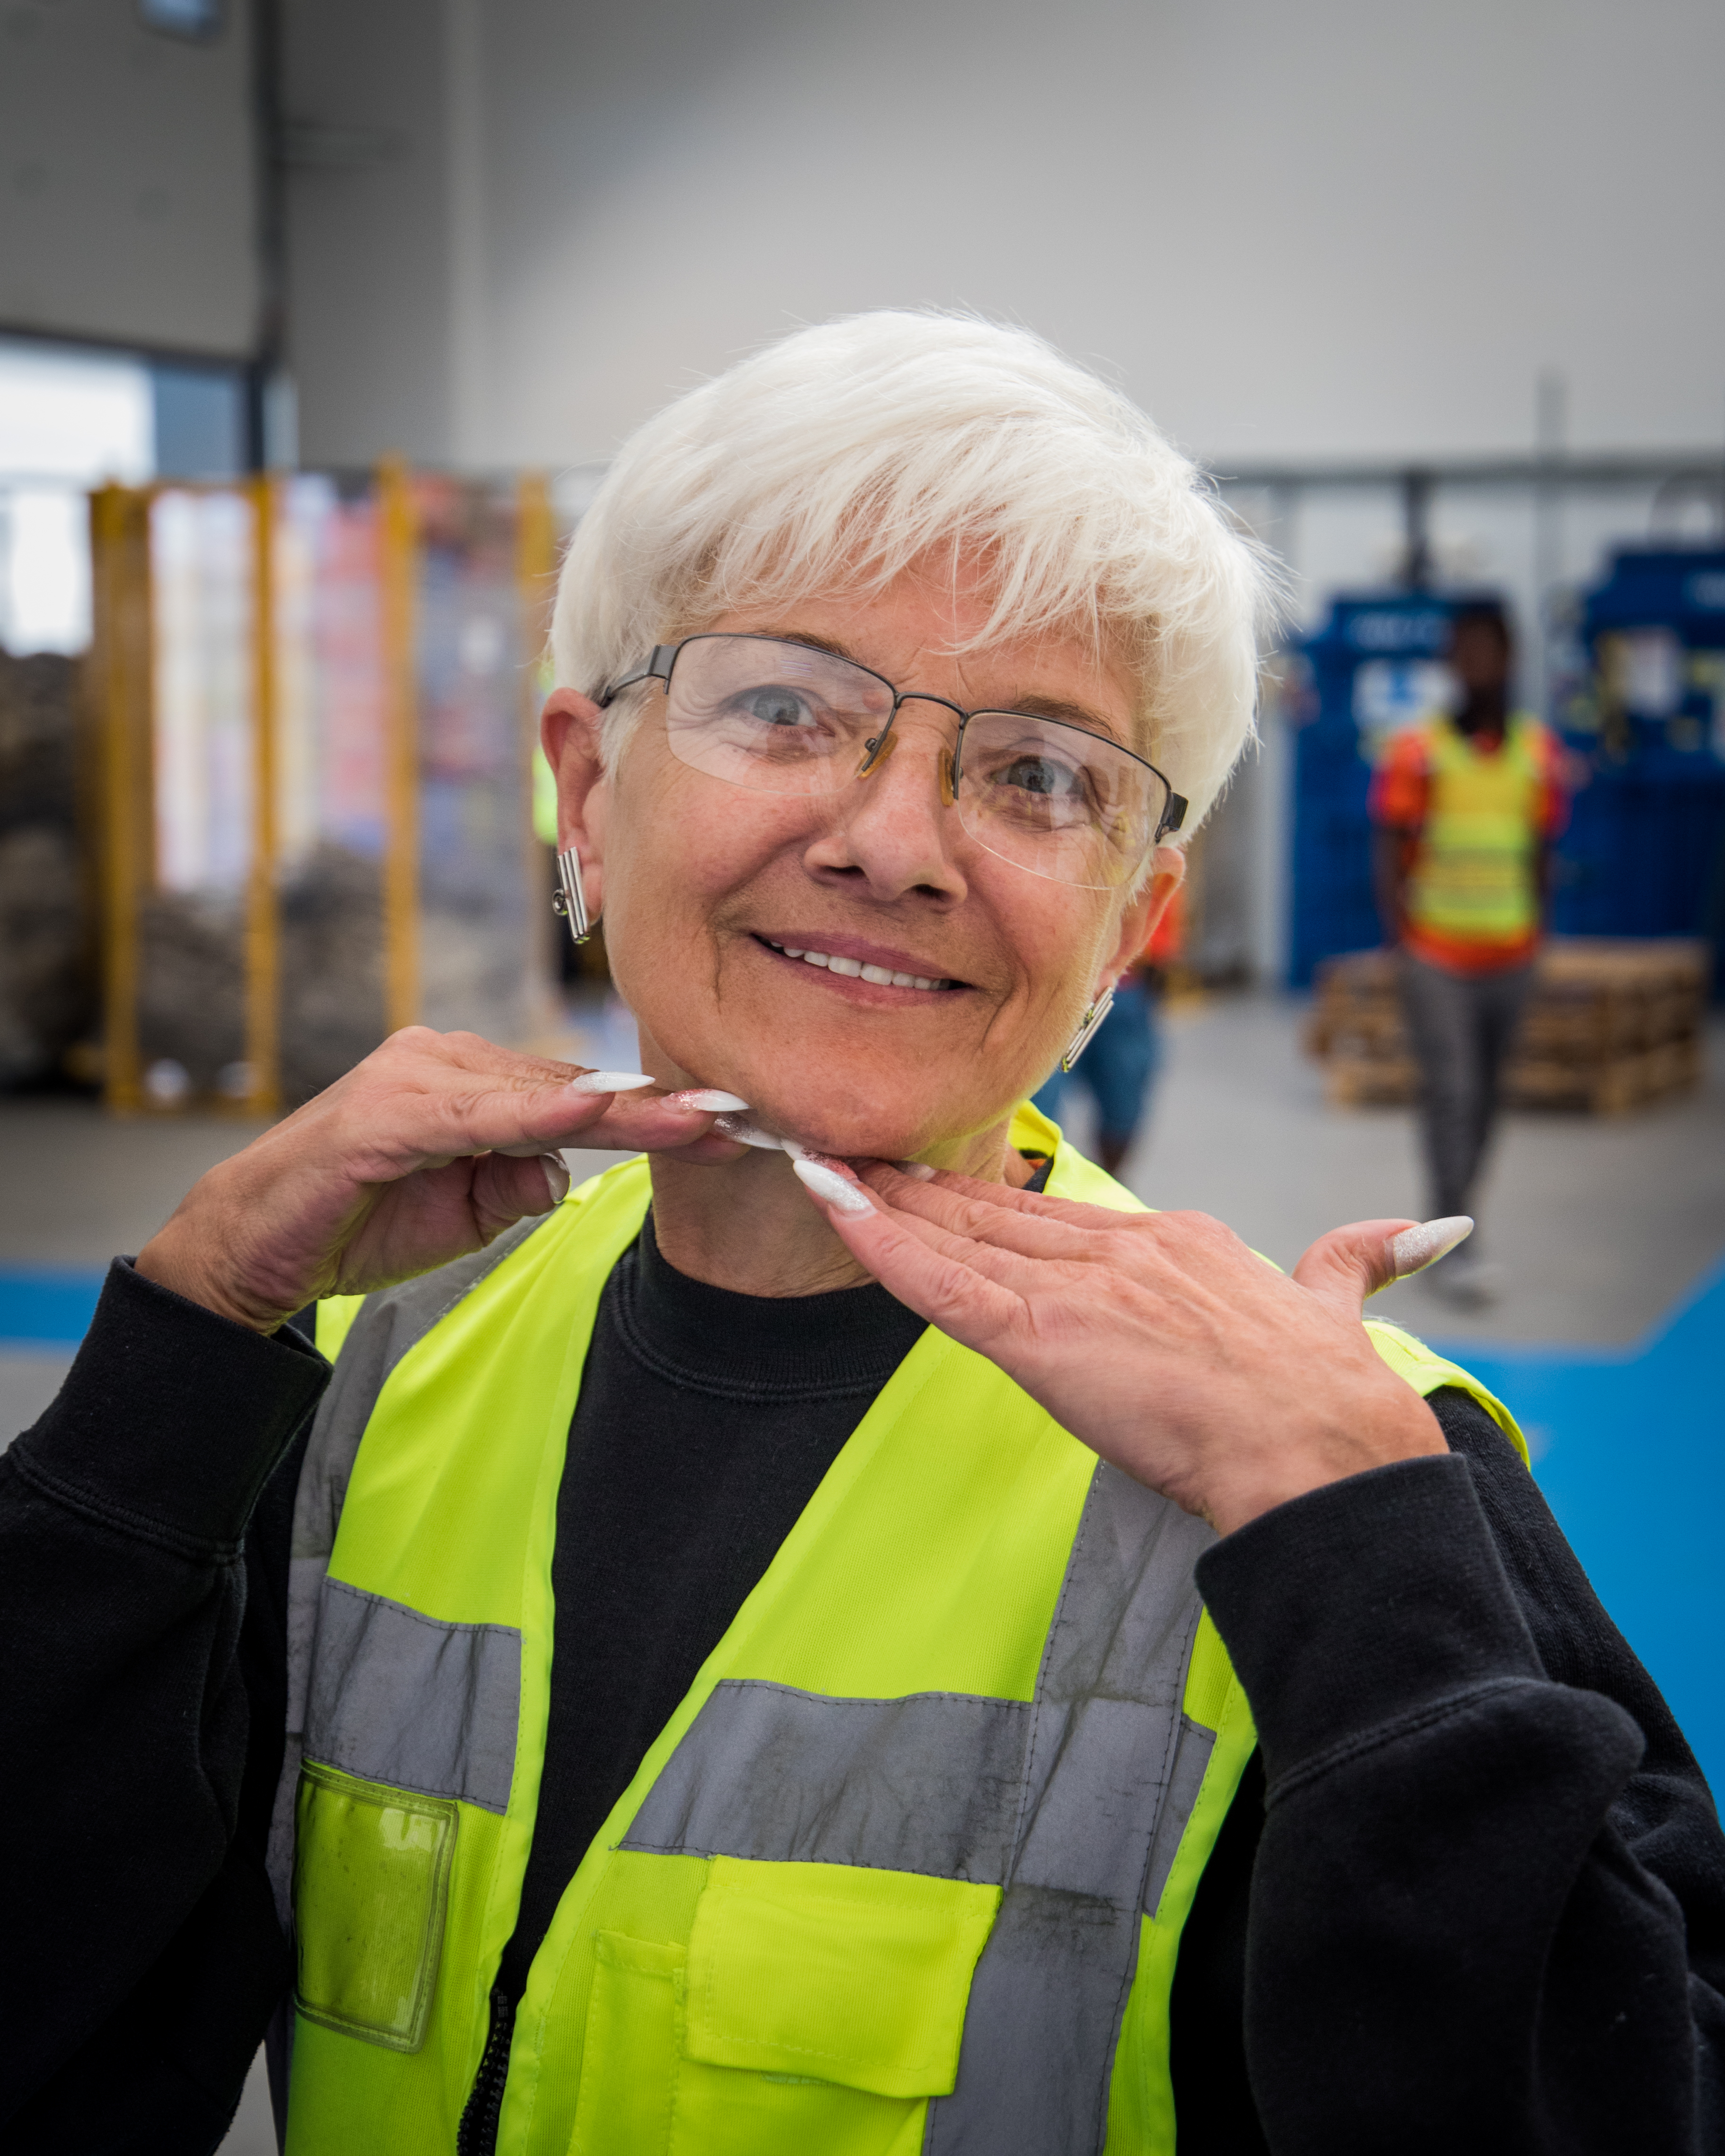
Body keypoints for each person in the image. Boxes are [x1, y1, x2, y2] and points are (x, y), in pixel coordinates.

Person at [4, 316, 1721, 2156]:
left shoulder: (1336, 1472)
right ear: (587, 787)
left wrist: (1374, 1566)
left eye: (1039, 772)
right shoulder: (355, 1372)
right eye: (782, 707)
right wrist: (169, 1374)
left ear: (1131, 920)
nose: (895, 840)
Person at [1369, 604, 1570, 1303]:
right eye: (1464, 650)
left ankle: (1454, 1218)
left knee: (1485, 1100)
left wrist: (1537, 937)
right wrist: (1400, 941)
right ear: (1451, 661)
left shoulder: (1537, 753)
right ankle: (1453, 1240)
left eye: (1487, 649)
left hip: (1510, 955)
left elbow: (1541, 849)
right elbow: (1388, 843)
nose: (1475, 662)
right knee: (1450, 1094)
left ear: (1510, 658)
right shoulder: (1417, 751)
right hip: (1435, 955)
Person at [1032, 883, 1184, 1174]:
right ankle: (1033, 1190)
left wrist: (1158, 966)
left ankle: (1110, 1184)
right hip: (1049, 985)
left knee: (1124, 1107)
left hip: (1127, 989)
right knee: (1037, 1112)